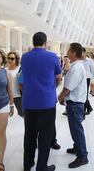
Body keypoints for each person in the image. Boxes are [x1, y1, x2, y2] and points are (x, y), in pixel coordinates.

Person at [21, 32, 62, 171]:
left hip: (29, 102)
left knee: (29, 135)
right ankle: (41, 167)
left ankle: (27, 165)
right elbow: (58, 77)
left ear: (33, 42)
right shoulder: (52, 56)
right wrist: (51, 88)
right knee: (45, 136)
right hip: (47, 102)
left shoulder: (24, 57)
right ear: (45, 43)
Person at [58, 43, 89, 168]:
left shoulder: (76, 68)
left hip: (75, 104)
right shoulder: (76, 66)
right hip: (76, 102)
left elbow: (68, 87)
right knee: (75, 129)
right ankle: (77, 148)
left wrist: (61, 96)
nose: (67, 53)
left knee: (76, 130)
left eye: (69, 51)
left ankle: (82, 157)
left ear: (74, 53)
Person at [82, 48, 94, 116]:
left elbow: (93, 71)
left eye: (82, 52)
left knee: (85, 95)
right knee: (81, 95)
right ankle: (89, 108)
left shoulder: (90, 61)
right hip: (79, 79)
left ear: (85, 52)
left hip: (87, 79)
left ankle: (85, 109)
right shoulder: (78, 60)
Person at [6, 52, 22, 117]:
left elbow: (23, 83)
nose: (10, 60)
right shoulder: (5, 70)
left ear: (16, 59)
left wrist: (19, 78)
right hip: (7, 97)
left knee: (22, 115)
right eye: (8, 58)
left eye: (12, 58)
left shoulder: (20, 69)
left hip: (18, 96)